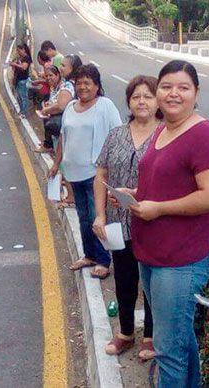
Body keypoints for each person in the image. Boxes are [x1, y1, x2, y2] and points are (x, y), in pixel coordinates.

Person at [124, 60, 209, 387]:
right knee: (180, 339)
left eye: (183, 87)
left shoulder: (205, 136)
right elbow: (164, 182)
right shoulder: (163, 129)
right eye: (166, 86)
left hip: (180, 261)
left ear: (196, 93)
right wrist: (134, 195)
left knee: (168, 348)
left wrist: (160, 209)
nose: (173, 94)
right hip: (153, 256)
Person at [92, 75, 163, 360]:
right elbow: (101, 174)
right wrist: (99, 215)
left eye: (148, 95)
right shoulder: (117, 134)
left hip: (153, 222)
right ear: (129, 102)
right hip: (118, 221)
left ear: (157, 101)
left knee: (151, 282)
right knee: (123, 278)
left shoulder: (166, 135)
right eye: (136, 96)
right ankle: (125, 333)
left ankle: (149, 336)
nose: (142, 101)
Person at [49, 64, 122, 279]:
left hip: (95, 174)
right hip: (72, 173)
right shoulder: (70, 107)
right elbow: (63, 137)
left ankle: (103, 260)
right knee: (82, 217)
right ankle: (89, 255)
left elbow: (117, 134)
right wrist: (56, 164)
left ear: (97, 86)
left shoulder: (105, 106)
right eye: (79, 83)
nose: (82, 87)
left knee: (96, 216)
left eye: (87, 83)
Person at [34, 65, 75, 153]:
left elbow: (60, 106)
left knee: (49, 122)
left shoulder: (65, 86)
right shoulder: (53, 87)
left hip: (65, 116)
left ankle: (49, 145)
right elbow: (52, 100)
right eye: (46, 76)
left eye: (51, 75)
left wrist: (47, 109)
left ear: (58, 75)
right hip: (58, 114)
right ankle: (49, 144)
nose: (48, 78)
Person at [9, 43, 32, 118]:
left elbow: (24, 67)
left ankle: (24, 112)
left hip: (23, 80)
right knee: (20, 97)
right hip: (18, 79)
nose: (18, 52)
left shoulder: (26, 58)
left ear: (23, 50)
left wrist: (15, 65)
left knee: (23, 97)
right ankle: (21, 110)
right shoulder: (20, 58)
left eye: (19, 50)